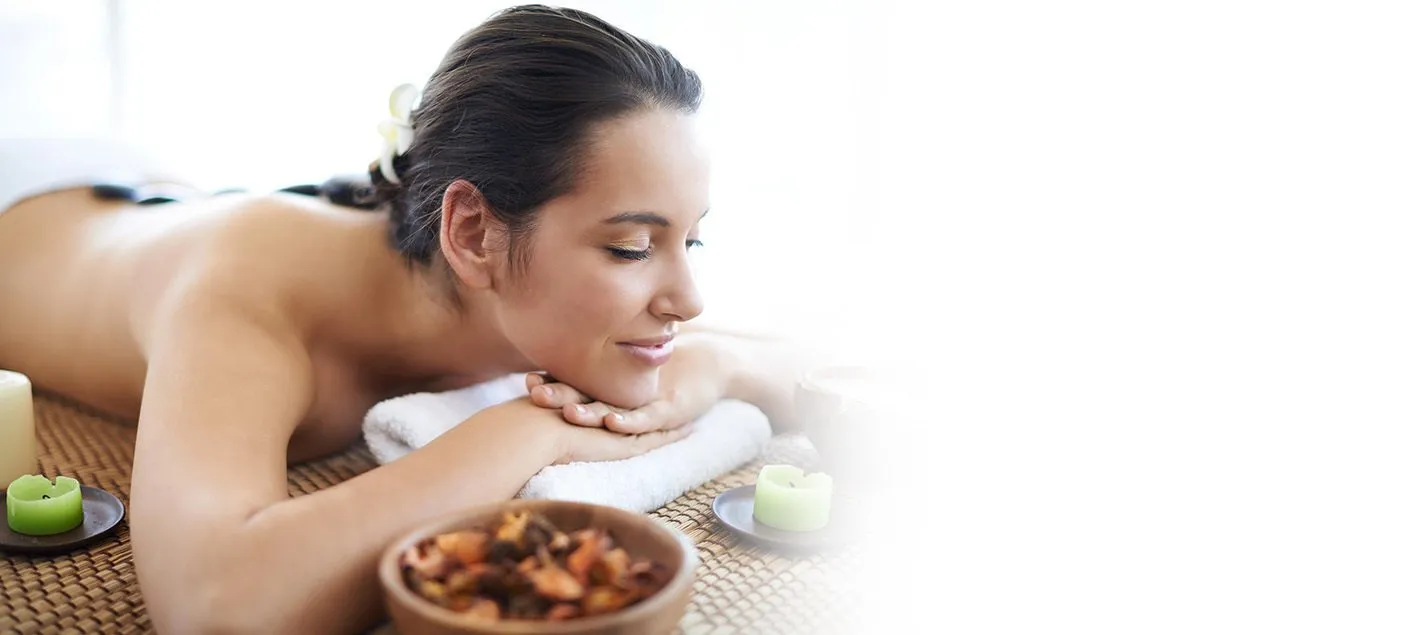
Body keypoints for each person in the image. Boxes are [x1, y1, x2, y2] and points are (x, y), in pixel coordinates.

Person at [0, 5, 814, 633]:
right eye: (633, 246)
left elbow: (782, 358)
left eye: (691, 237)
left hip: (143, 188)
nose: (691, 299)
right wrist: (528, 431)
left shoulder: (520, 287)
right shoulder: (248, 293)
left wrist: (711, 368)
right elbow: (214, 599)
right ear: (470, 232)